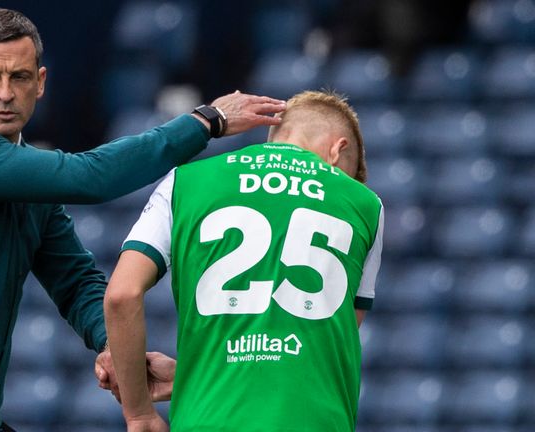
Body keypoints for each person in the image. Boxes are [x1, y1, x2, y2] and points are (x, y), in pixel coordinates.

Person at [0, 8, 287, 432]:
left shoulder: (27, 178)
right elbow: (91, 177)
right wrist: (205, 122)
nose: (5, 93)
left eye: (19, 77)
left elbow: (75, 282)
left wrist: (117, 349)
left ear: (40, 82)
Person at [103, 90, 384, 431]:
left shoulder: (183, 182)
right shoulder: (367, 205)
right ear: (337, 152)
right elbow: (328, 339)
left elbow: (122, 295)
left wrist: (141, 413)